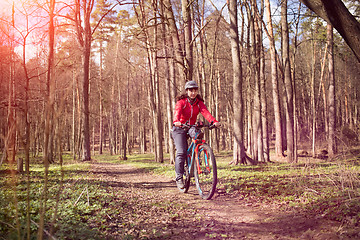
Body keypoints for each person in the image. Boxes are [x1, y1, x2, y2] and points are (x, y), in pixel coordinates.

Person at [172, 81, 221, 189]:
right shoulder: (182, 102)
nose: (193, 93)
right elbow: (177, 113)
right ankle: (179, 177)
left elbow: (205, 112)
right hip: (179, 128)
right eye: (190, 90)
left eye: (195, 90)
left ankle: (197, 158)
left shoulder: (199, 103)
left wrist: (214, 121)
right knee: (181, 152)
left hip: (191, 127)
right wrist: (176, 121)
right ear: (187, 91)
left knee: (197, 136)